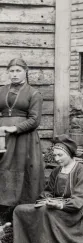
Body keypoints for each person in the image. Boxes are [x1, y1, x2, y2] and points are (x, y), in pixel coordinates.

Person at [13, 135, 83, 243]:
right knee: (19, 210)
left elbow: (79, 200)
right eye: (55, 155)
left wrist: (59, 204)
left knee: (44, 212)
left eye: (60, 155)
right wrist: (47, 199)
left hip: (75, 212)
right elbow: (48, 191)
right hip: (56, 205)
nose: (56, 159)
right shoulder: (56, 171)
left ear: (70, 154)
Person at [0, 58, 44, 208]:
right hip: (3, 138)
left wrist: (15, 128)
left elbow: (34, 120)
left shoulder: (33, 93)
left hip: (24, 139)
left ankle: (21, 207)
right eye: (11, 71)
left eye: (18, 70)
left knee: (20, 168)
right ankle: (3, 207)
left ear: (25, 72)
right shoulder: (2, 90)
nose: (14, 74)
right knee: (4, 167)